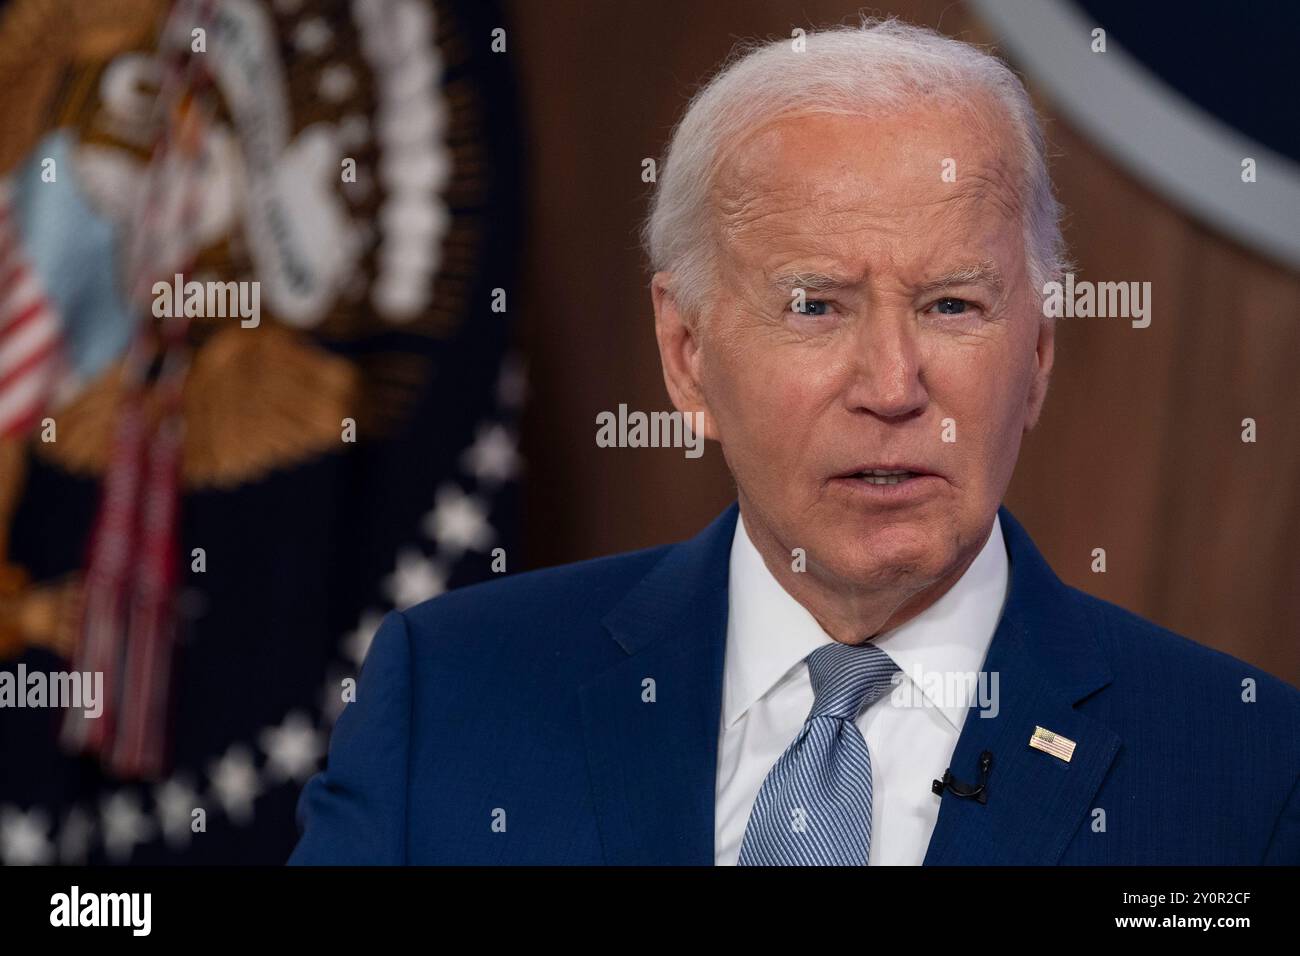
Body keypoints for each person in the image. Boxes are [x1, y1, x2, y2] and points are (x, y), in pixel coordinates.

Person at [288, 19, 1300, 865]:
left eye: (952, 304)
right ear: (685, 355)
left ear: (1035, 354)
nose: (893, 386)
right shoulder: (454, 699)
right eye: (815, 305)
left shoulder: (1243, 770)